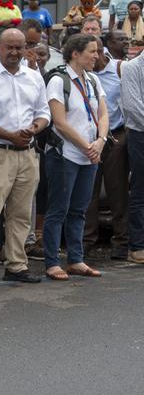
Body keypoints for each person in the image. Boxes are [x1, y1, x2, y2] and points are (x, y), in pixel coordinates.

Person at [0, 29, 50, 288]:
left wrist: (33, 129)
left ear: (26, 48)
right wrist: (9, 135)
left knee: (21, 213)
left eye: (19, 47)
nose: (14, 52)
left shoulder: (34, 77)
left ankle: (17, 264)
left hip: (26, 153)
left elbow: (44, 112)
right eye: (9, 47)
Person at [42, 33, 109, 281]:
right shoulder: (59, 81)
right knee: (58, 208)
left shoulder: (92, 79)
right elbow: (59, 122)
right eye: (92, 51)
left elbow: (103, 114)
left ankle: (76, 259)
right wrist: (86, 146)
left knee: (80, 209)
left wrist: (100, 142)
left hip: (90, 153)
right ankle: (51, 261)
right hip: (65, 154)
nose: (97, 56)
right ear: (75, 54)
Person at [84, 33, 130, 259]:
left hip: (116, 136)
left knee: (117, 190)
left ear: (102, 51)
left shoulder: (120, 70)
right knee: (88, 192)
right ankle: (86, 240)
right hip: (90, 138)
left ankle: (121, 241)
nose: (93, 56)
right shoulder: (83, 75)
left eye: (95, 51)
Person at [121, 46, 144, 264]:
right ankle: (137, 246)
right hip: (140, 135)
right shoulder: (132, 67)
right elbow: (132, 106)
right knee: (140, 190)